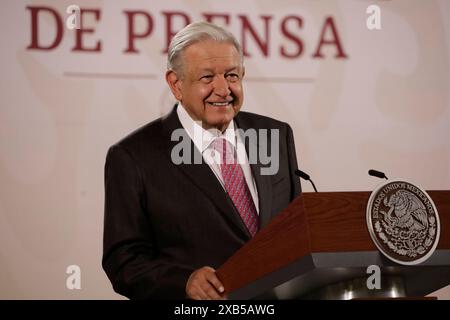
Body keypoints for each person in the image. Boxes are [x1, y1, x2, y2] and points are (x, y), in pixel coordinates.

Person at [102, 21, 301, 300]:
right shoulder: (134, 156)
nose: (223, 90)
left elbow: (295, 232)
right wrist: (184, 282)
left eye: (232, 76)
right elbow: (123, 261)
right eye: (207, 78)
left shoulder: (276, 135)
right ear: (176, 84)